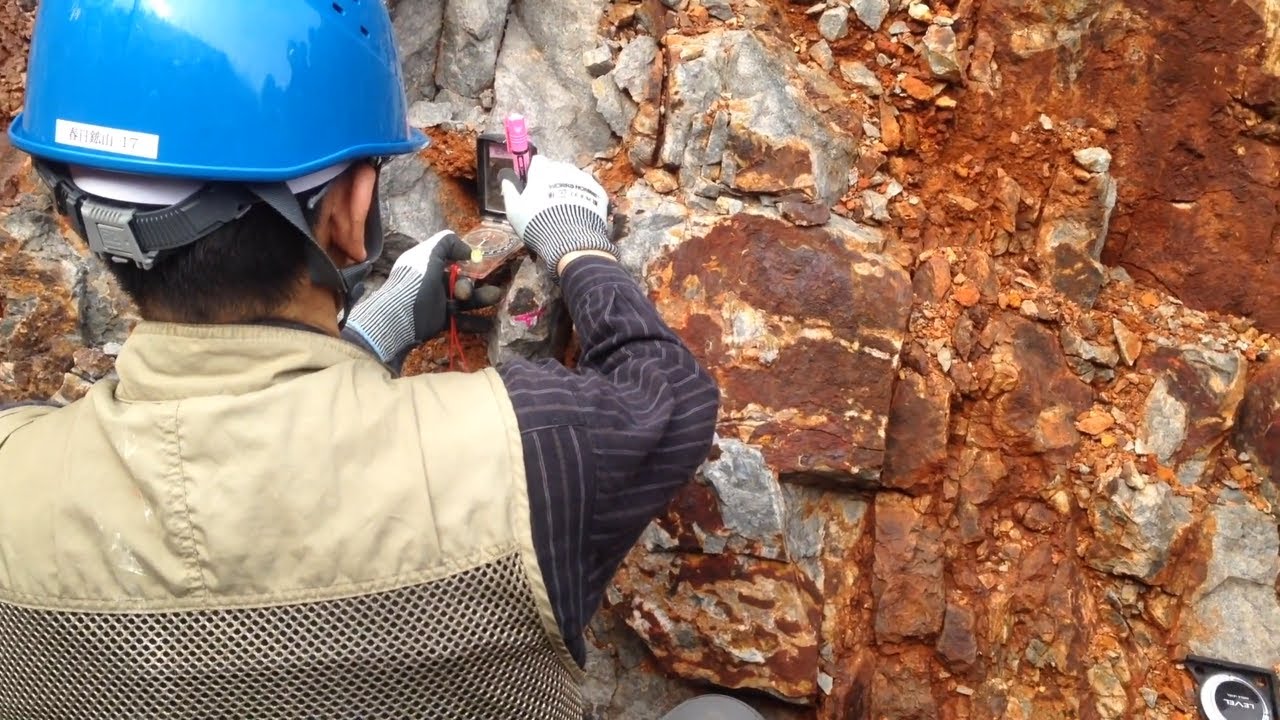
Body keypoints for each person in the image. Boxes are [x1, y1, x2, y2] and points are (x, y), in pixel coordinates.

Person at [0, 1, 763, 718]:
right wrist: (578, 245)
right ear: (348, 213)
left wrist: (371, 336)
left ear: (79, 226)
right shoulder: (525, 453)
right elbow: (668, 396)